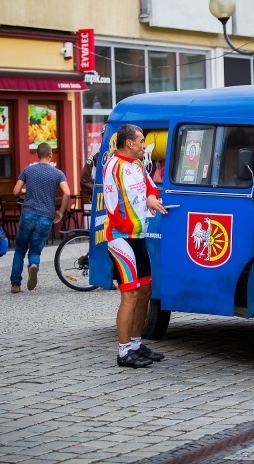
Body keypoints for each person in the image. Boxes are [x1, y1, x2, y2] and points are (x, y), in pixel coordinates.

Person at [102, 124, 168, 368]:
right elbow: (111, 207)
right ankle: (123, 352)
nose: (144, 145)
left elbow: (150, 186)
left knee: (145, 292)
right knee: (129, 295)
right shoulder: (113, 167)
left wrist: (151, 197)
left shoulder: (138, 165)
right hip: (121, 237)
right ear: (129, 143)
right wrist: (132, 222)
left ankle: (136, 344)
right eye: (141, 141)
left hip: (139, 235)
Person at [9, 142, 71, 294]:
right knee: (35, 250)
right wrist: (61, 212)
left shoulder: (28, 170)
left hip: (28, 214)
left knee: (20, 249)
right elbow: (67, 192)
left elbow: (16, 191)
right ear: (50, 155)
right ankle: (33, 264)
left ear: (37, 155)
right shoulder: (58, 174)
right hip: (46, 217)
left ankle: (16, 284)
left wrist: (26, 191)